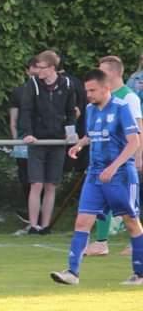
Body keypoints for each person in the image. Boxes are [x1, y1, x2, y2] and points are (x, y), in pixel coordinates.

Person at [51, 69, 143, 286]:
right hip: (95, 174)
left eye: (92, 90)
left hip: (120, 175)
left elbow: (134, 142)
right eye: (87, 90)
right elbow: (93, 134)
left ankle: (139, 273)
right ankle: (72, 273)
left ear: (106, 88)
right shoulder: (90, 110)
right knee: (82, 220)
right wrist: (80, 144)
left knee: (131, 223)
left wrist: (114, 167)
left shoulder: (122, 109)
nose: (89, 94)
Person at [85, 55, 143, 256]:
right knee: (103, 202)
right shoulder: (103, 98)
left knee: (131, 205)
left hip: (125, 162)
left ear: (114, 73)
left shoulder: (129, 97)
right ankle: (101, 242)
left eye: (103, 71)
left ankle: (134, 243)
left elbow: (138, 129)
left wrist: (138, 156)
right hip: (106, 162)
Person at [18, 50, 76, 234]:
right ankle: (33, 225)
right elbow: (25, 111)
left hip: (57, 141)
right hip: (37, 141)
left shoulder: (67, 84)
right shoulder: (32, 84)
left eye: (41, 68)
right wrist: (27, 133)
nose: (37, 71)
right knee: (36, 183)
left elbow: (70, 112)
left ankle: (45, 225)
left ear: (52, 68)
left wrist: (70, 134)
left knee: (52, 184)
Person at [8, 57, 40, 224]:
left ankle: (39, 219)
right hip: (22, 144)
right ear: (27, 71)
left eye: (39, 67)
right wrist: (16, 142)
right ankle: (31, 217)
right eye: (32, 68)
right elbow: (13, 121)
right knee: (26, 180)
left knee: (41, 181)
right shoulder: (18, 92)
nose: (35, 71)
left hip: (42, 143)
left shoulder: (48, 91)